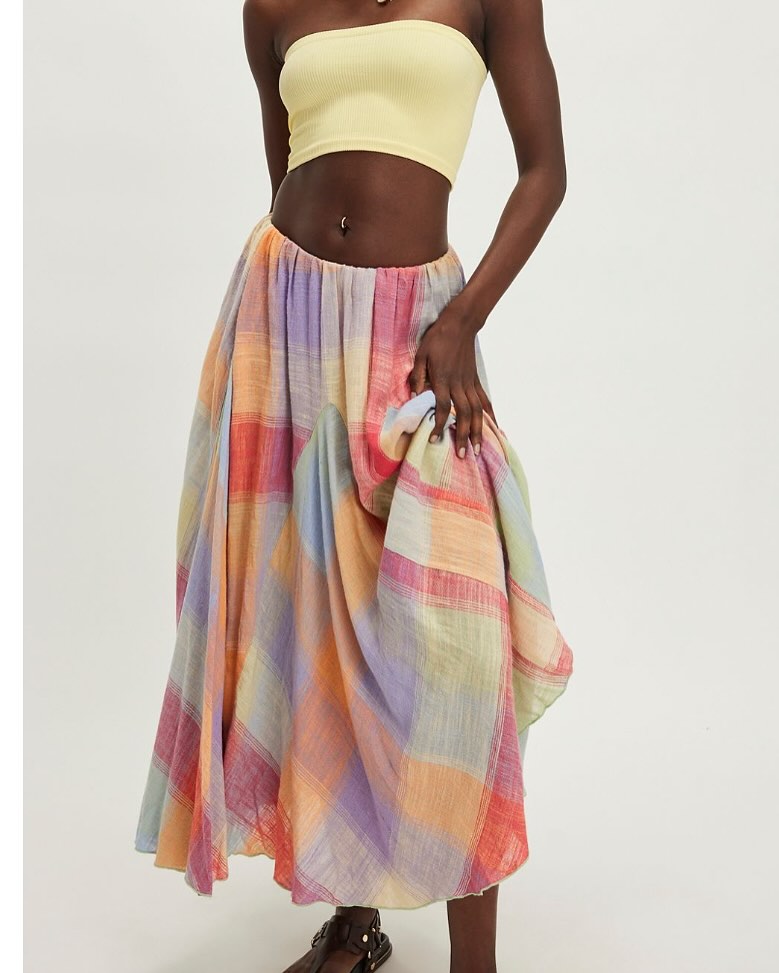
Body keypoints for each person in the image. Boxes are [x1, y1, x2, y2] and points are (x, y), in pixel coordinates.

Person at [134, 1, 574, 971]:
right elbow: (287, 170)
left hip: (420, 334)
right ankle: (353, 921)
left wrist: (461, 319)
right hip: (281, 316)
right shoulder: (272, 6)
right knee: (310, 625)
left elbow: (544, 172)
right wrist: (318, 298)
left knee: (455, 654)